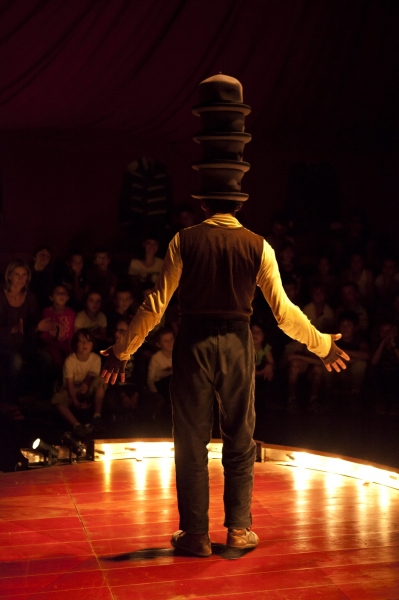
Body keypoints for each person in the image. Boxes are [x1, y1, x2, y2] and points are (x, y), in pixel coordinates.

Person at [100, 198, 349, 558]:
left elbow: (156, 304)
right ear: (238, 205)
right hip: (236, 344)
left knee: (190, 440)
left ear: (203, 206)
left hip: (193, 343)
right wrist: (322, 344)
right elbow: (284, 313)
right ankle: (238, 530)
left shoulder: (183, 240)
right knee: (240, 435)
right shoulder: (258, 245)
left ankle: (196, 535)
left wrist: (123, 350)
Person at [0, 260, 54, 417]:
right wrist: (12, 329)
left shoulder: (30, 297)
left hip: (23, 343)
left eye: (24, 275)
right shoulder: (1, 297)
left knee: (45, 357)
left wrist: (39, 327)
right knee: (15, 360)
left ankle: (42, 399)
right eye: (17, 274)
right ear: (9, 276)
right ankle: (11, 403)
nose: (20, 278)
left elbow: (31, 326)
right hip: (3, 344)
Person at [51, 328, 107, 437]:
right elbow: (70, 384)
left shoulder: (95, 359)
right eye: (81, 341)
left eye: (88, 341)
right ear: (75, 344)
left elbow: (92, 376)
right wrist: (75, 401)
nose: (84, 344)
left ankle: (97, 416)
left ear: (92, 344)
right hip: (72, 388)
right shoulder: (70, 361)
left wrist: (86, 385)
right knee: (56, 400)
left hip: (87, 388)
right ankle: (77, 425)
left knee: (102, 380)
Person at [40, 283, 75, 375]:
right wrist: (57, 345)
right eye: (58, 293)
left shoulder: (70, 313)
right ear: (51, 297)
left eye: (64, 293)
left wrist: (69, 346)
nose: (61, 295)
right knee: (57, 359)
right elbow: (45, 335)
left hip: (66, 344)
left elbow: (71, 332)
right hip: (52, 344)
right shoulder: (47, 312)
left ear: (68, 297)